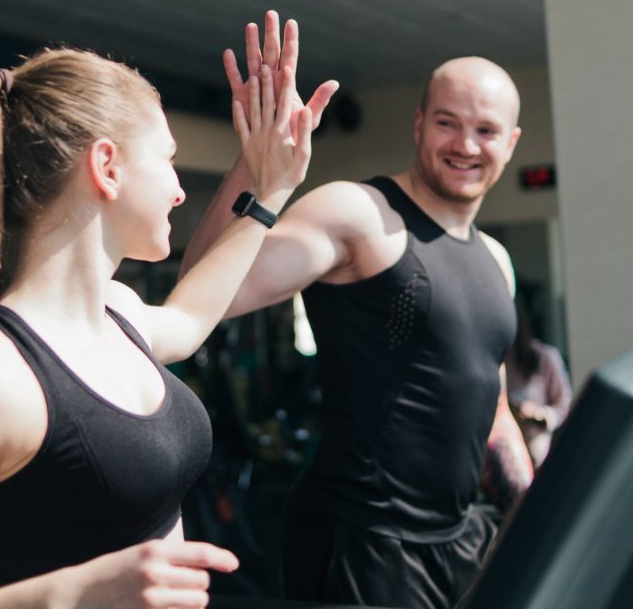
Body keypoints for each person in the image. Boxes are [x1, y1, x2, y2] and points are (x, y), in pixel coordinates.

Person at [0, 26, 336, 608]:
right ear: (107, 166)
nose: (181, 191)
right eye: (169, 160)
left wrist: (268, 185)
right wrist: (75, 592)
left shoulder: (119, 311)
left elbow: (189, 317)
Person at [181, 40, 535, 608]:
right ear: (419, 123)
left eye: (486, 131)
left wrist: (537, 517)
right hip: (362, 546)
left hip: (462, 544)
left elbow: (490, 411)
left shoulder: (495, 259)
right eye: (448, 123)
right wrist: (258, 168)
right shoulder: (357, 215)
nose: (466, 145)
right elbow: (202, 293)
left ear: (511, 143)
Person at [504, 296, 573, 468]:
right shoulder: (497, 362)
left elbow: (565, 405)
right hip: (507, 455)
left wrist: (539, 415)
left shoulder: (545, 358)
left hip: (538, 453)